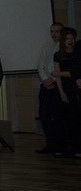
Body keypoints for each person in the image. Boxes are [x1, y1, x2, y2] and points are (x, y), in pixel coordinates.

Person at [36, 22, 63, 153]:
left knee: (58, 116)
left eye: (57, 31)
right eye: (52, 31)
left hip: (59, 85)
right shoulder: (47, 45)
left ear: (62, 33)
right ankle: (50, 143)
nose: (54, 34)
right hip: (45, 84)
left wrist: (53, 80)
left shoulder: (64, 47)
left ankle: (60, 145)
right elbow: (40, 65)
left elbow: (64, 67)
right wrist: (45, 79)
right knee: (44, 115)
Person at [52, 27, 80, 157]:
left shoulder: (78, 54)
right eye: (67, 38)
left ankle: (77, 148)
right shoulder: (58, 55)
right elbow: (57, 76)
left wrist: (58, 73)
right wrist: (61, 92)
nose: (70, 41)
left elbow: (73, 73)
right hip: (64, 88)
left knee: (76, 119)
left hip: (76, 87)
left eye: (72, 38)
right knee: (61, 119)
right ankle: (62, 148)